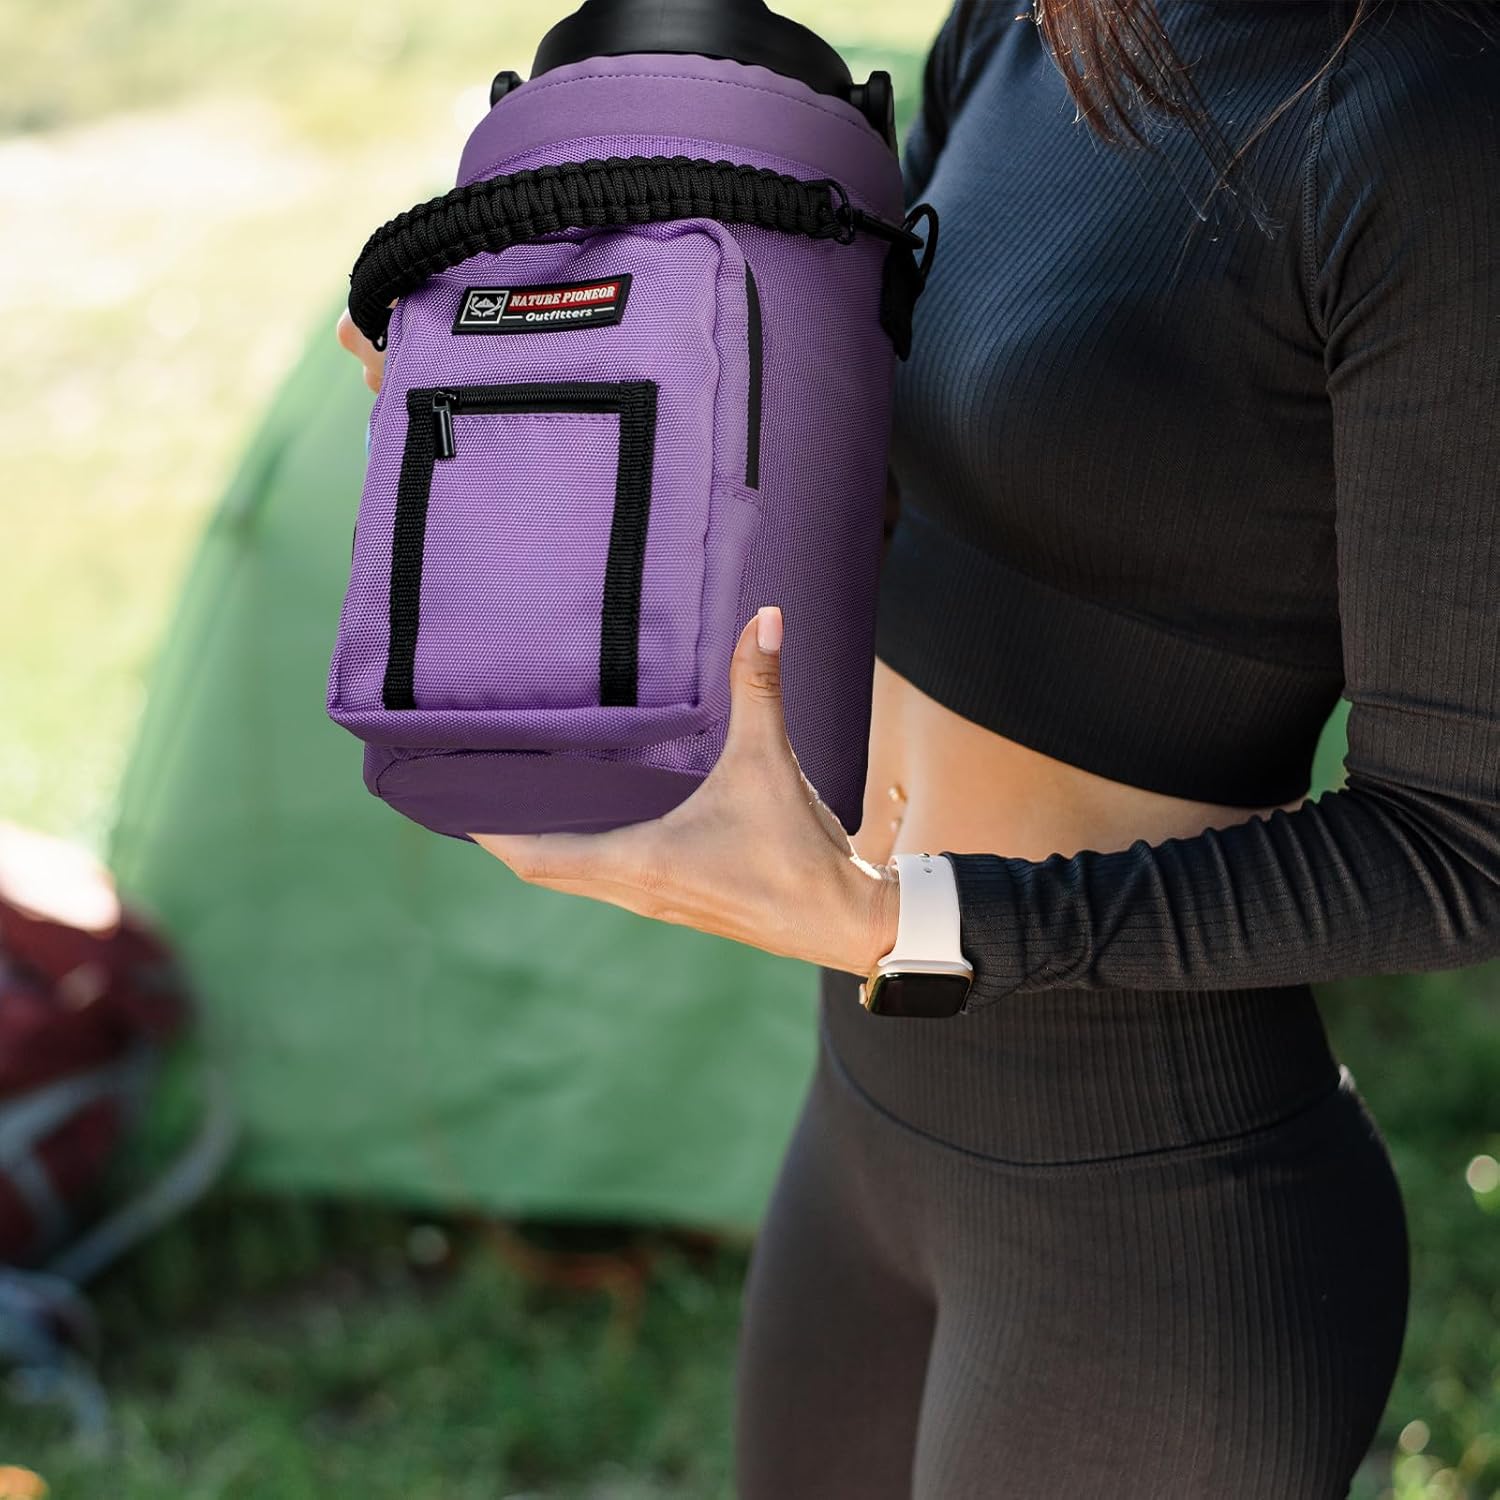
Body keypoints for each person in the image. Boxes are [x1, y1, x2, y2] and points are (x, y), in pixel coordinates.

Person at [337, 0, 1500, 1491]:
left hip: (1145, 1208)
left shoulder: (1430, 126)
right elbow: (848, 464)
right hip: (867, 1121)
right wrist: (525, 399)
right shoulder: (1033, 24)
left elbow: (1463, 847)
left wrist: (906, 921)